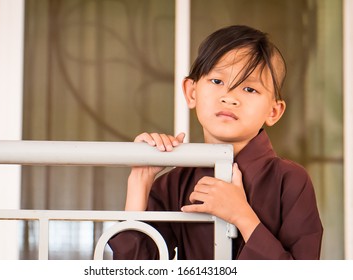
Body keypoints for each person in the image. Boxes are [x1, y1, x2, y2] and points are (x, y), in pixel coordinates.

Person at [108, 25, 323, 260]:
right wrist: (141, 180)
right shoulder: (173, 184)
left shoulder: (292, 181)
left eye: (249, 88)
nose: (229, 97)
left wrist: (242, 216)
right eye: (217, 81)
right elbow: (136, 270)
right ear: (192, 92)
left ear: (273, 111)